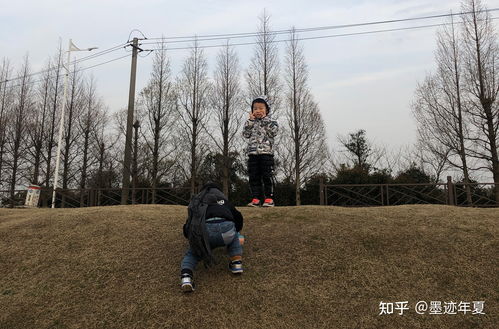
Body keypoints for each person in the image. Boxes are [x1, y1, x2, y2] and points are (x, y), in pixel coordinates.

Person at [180, 183, 244, 292]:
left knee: (193, 253)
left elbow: (190, 223)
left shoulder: (198, 203)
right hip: (226, 232)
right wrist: (237, 231)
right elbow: (238, 217)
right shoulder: (225, 202)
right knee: (234, 236)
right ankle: (236, 263)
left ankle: (186, 276)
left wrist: (190, 237)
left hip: (205, 234)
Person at [242, 97, 279, 207]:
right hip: (253, 154)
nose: (258, 110)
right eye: (255, 108)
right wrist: (250, 121)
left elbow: (274, 132)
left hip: (266, 154)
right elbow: (245, 134)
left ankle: (269, 198)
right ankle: (256, 198)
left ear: (266, 110)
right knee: (253, 176)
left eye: (261, 108)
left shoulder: (271, 121)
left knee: (267, 176)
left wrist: (265, 120)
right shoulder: (250, 122)